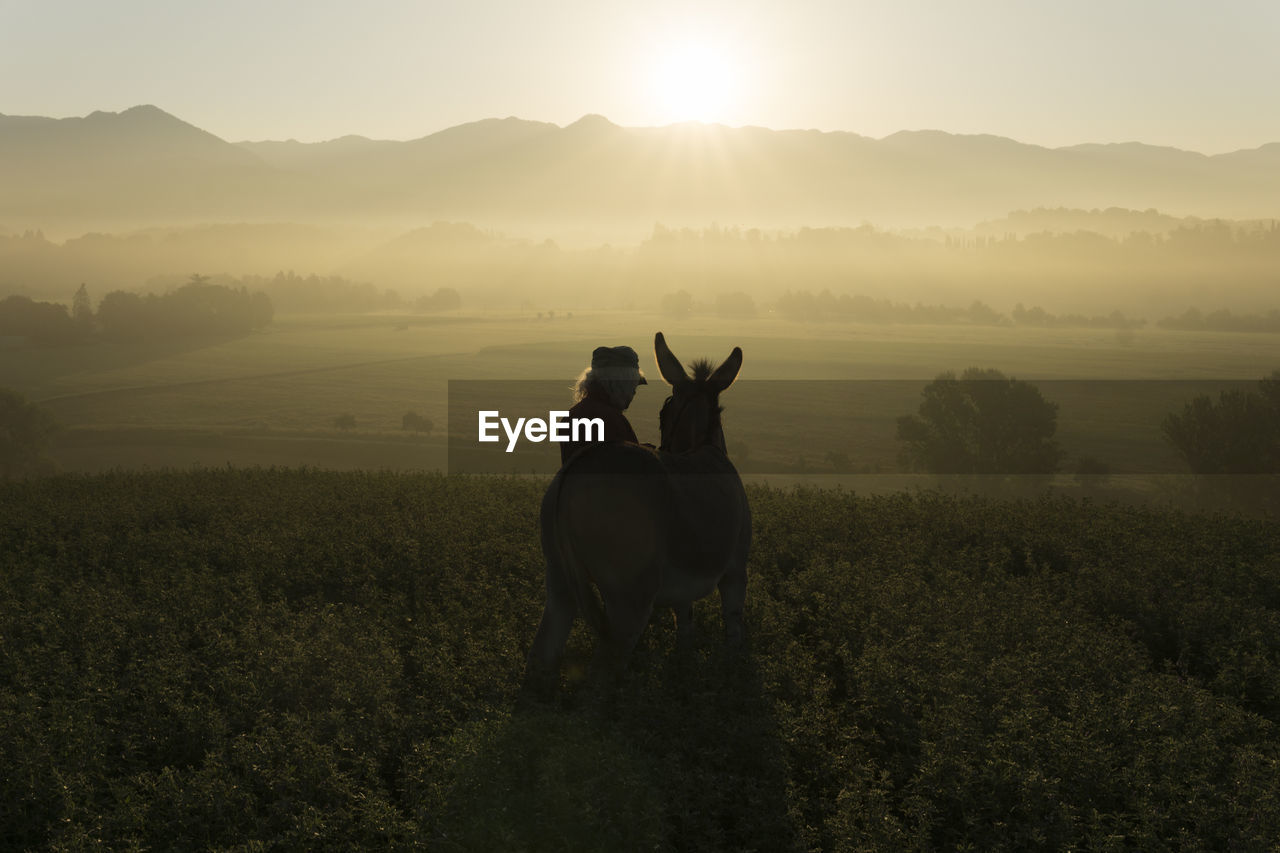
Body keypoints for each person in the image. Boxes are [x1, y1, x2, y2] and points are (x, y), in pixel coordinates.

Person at [559, 345, 647, 465]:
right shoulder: (611, 419)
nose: (634, 392)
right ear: (620, 384)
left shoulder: (571, 416)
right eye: (633, 384)